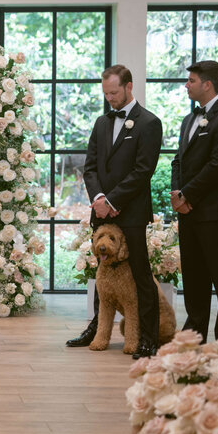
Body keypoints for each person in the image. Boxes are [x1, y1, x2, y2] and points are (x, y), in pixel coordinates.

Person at [66, 65, 162, 359]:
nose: (110, 98)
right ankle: (97, 329)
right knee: (102, 273)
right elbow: (90, 166)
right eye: (106, 93)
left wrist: (113, 200)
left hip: (130, 212)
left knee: (140, 275)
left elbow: (143, 171)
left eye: (115, 92)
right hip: (101, 211)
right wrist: (98, 198)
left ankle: (148, 336)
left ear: (129, 87)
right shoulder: (101, 122)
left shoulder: (149, 123)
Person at [170, 60, 218, 343]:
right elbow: (177, 161)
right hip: (188, 211)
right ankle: (194, 334)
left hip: (215, 213)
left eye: (191, 81)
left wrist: (188, 195)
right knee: (193, 276)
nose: (187, 85)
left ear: (207, 84)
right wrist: (176, 195)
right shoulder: (187, 120)